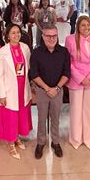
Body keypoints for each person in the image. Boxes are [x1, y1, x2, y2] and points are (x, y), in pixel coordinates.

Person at [30, 24, 71, 157]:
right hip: (42, 91)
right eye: (48, 36)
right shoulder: (36, 53)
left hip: (58, 91)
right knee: (42, 119)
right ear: (42, 36)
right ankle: (41, 143)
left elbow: (67, 73)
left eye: (54, 36)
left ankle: (55, 142)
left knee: (56, 118)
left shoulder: (64, 52)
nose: (51, 38)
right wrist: (47, 89)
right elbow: (34, 74)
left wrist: (57, 88)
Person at [65, 17, 90, 150]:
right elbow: (68, 62)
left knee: (89, 110)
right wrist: (81, 78)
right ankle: (75, 139)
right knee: (76, 110)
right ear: (77, 27)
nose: (86, 27)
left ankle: (88, 138)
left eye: (88, 25)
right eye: (83, 25)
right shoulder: (70, 39)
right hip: (76, 80)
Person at [0, 24, 33, 159]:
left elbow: (29, 67)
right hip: (9, 89)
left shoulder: (25, 48)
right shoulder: (2, 51)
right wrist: (2, 94)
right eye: (13, 33)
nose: (16, 35)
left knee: (20, 115)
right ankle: (10, 143)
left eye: (18, 32)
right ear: (7, 36)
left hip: (23, 88)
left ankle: (16, 137)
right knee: (10, 117)